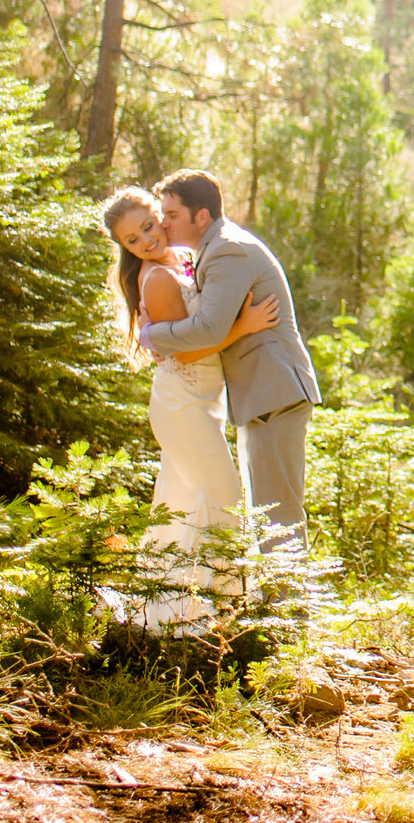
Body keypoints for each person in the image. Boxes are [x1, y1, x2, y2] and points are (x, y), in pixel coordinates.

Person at [101, 185, 277, 624]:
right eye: (133, 240)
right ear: (124, 247)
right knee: (225, 499)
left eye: (148, 226)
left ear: (161, 217)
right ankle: (223, 609)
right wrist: (244, 325)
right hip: (183, 405)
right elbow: (190, 348)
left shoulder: (178, 262)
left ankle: (170, 607)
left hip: (200, 402)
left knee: (183, 501)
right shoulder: (159, 278)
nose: (146, 240)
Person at [135, 169, 322, 553]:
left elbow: (208, 329)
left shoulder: (226, 250)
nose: (163, 223)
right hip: (261, 396)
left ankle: (292, 610)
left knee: (278, 517)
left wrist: (151, 336)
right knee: (266, 514)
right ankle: (274, 606)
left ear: (200, 216)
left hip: (274, 392)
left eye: (171, 215)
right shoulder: (213, 248)